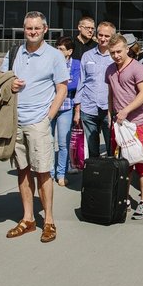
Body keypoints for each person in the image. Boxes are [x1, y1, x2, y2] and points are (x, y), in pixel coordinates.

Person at [1, 11, 68, 244]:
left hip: (39, 122)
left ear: (45, 29)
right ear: (23, 28)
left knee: (43, 172)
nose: (32, 32)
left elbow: (62, 88)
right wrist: (10, 83)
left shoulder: (54, 56)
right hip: (15, 121)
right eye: (29, 28)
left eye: (37, 28)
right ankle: (28, 219)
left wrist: (48, 117)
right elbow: (0, 82)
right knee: (23, 170)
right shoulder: (13, 53)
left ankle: (48, 221)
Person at [105, 33, 143, 219]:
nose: (116, 55)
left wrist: (126, 110)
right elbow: (111, 94)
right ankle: (123, 199)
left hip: (138, 123)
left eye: (119, 51)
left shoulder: (138, 68)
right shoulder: (109, 69)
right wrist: (111, 114)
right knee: (124, 165)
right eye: (112, 52)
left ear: (127, 49)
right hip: (119, 125)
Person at [74, 21, 116, 158]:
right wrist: (77, 109)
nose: (103, 39)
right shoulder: (87, 56)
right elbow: (81, 82)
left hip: (108, 110)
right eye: (100, 35)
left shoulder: (116, 57)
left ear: (112, 37)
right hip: (88, 108)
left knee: (112, 149)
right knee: (92, 151)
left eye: (107, 36)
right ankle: (94, 177)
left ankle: (110, 178)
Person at [52, 36, 81, 186]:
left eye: (61, 49)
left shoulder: (76, 64)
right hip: (49, 107)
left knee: (63, 143)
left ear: (69, 51)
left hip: (66, 107)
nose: (57, 51)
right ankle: (50, 173)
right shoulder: (50, 62)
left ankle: (61, 174)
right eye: (56, 47)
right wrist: (65, 83)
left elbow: (75, 84)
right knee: (48, 142)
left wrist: (57, 84)